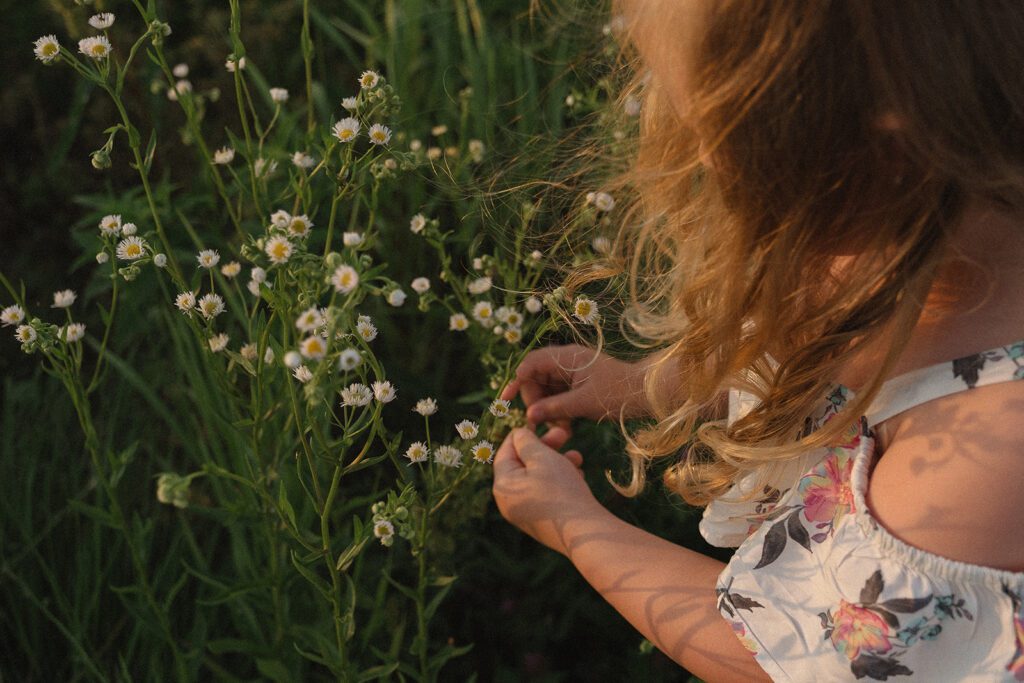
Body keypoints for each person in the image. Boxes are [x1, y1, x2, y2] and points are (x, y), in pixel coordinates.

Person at [491, 2, 1024, 681]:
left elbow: (777, 654)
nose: (704, 173)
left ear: (872, 164)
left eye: (711, 148)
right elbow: (812, 354)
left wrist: (577, 526)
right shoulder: (931, 215)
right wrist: (647, 384)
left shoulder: (978, 468)